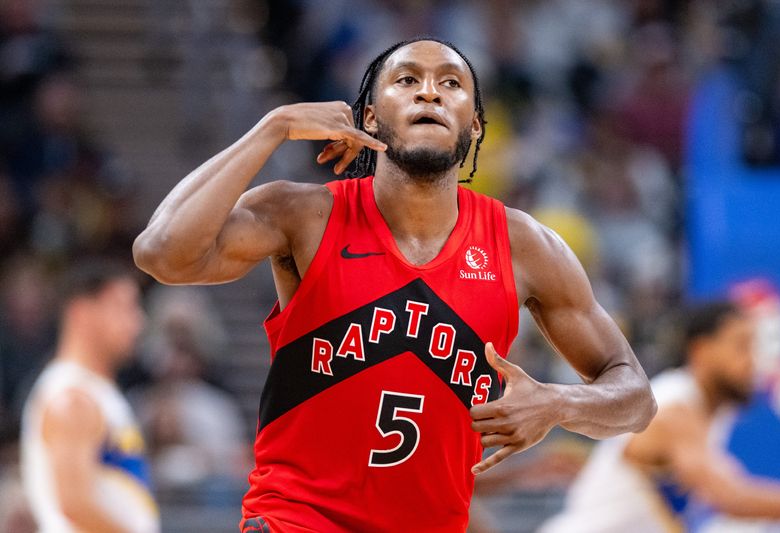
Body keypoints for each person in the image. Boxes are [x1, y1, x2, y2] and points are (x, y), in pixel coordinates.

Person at [133, 37, 656, 532]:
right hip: (296, 519)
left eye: (451, 83)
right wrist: (272, 127)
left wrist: (557, 404)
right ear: (368, 117)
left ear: (474, 125)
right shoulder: (304, 214)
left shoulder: (524, 245)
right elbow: (162, 253)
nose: (429, 90)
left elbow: (634, 396)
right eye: (406, 80)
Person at [540, 301, 780, 533]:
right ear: (701, 351)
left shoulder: (710, 413)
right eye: (741, 346)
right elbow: (732, 498)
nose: (752, 361)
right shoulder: (674, 409)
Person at [20, 259, 159, 533]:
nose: (139, 321)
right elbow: (74, 504)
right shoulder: (72, 397)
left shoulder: (96, 392)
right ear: (82, 312)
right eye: (124, 307)